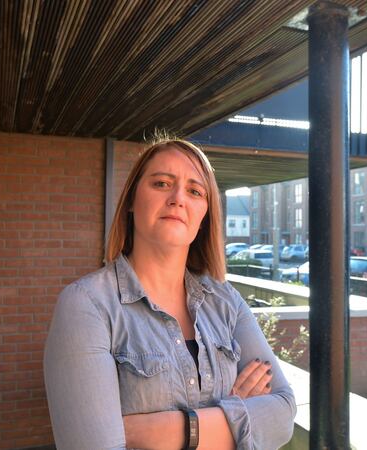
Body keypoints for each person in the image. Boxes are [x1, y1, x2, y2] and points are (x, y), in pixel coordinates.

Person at [44, 137, 296, 449]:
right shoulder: (87, 305)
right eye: (162, 183)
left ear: (205, 215)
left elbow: (283, 413)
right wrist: (235, 415)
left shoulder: (225, 300)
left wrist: (156, 431)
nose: (178, 198)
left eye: (194, 190)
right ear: (132, 201)